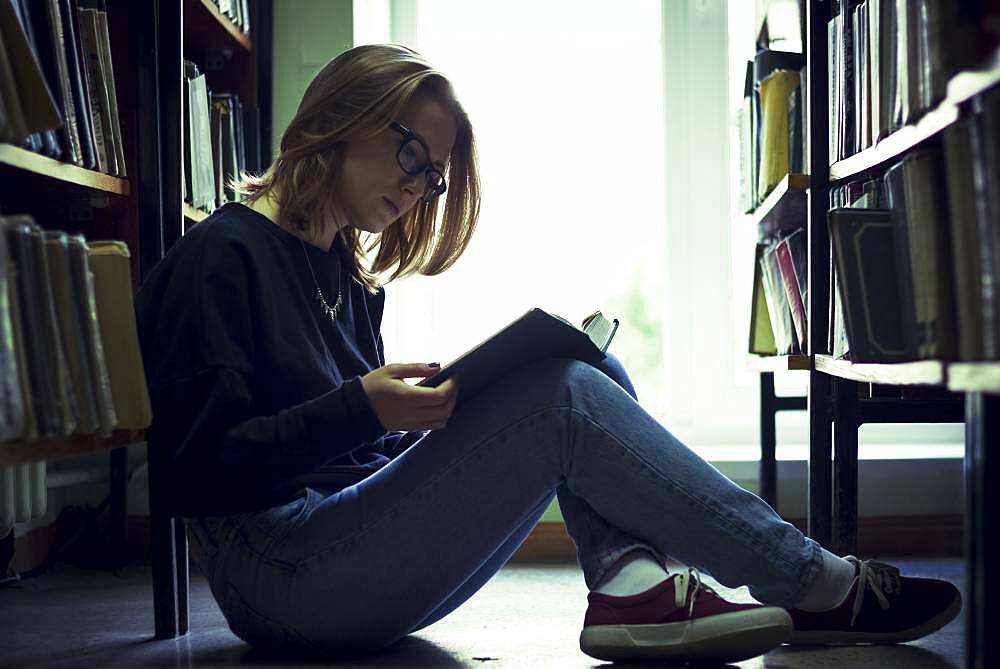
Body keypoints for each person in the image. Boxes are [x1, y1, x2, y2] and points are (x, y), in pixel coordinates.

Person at [134, 44, 961, 664]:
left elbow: (348, 453)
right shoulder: (220, 257)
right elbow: (196, 470)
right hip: (276, 576)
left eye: (435, 177)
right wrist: (367, 407)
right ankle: (816, 584)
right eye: (409, 154)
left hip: (335, 553)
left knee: (587, 363)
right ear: (339, 119)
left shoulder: (341, 275)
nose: (419, 185)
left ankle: (632, 586)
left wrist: (424, 428)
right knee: (559, 390)